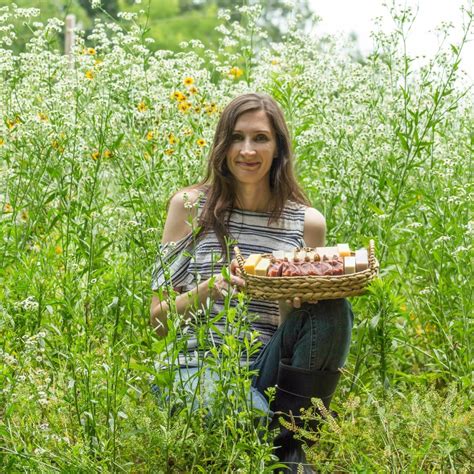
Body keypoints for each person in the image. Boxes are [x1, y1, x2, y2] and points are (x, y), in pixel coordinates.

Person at [150, 93, 353, 472]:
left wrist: (290, 299)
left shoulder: (307, 222)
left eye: (260, 138)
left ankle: (280, 440)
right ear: (221, 146)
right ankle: (288, 450)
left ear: (278, 148)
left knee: (332, 306)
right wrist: (208, 289)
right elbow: (158, 322)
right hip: (197, 366)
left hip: (270, 368)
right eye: (236, 137)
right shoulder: (189, 207)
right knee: (247, 417)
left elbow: (300, 328)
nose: (247, 150)